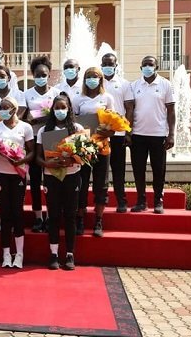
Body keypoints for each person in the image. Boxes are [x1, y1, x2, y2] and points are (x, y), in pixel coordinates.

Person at [36, 93, 84, 270]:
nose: (60, 111)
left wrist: (72, 160)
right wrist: (48, 163)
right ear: (52, 110)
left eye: (63, 107)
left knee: (70, 215)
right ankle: (54, 253)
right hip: (51, 177)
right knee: (54, 215)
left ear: (69, 109)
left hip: (72, 176)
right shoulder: (44, 130)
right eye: (57, 108)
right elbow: (38, 158)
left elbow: (84, 156)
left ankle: (70, 254)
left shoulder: (77, 128)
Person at [0, 97, 35, 269]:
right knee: (5, 213)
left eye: (6, 107)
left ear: (14, 109)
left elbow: (32, 152)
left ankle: (20, 254)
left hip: (18, 174)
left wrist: (21, 161)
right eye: (1, 107)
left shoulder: (26, 127)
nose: (3, 110)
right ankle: (6, 254)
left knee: (17, 213)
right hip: (1, 173)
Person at [125, 55, 175, 214]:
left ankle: (158, 201)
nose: (147, 67)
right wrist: (128, 132)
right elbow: (130, 110)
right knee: (138, 169)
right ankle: (141, 201)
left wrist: (171, 134)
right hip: (138, 135)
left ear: (156, 67)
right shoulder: (134, 85)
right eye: (144, 65)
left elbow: (171, 111)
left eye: (150, 64)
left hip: (159, 135)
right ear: (140, 68)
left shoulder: (165, 84)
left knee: (158, 170)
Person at [72, 67, 114, 237]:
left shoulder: (107, 98)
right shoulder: (78, 99)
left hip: (102, 146)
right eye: (88, 77)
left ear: (101, 79)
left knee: (101, 183)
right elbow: (73, 123)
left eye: (95, 77)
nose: (91, 79)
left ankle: (98, 220)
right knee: (81, 183)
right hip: (83, 147)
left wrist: (108, 132)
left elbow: (113, 123)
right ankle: (80, 219)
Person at [22, 56, 60, 232]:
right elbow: (23, 118)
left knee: (52, 181)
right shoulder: (26, 94)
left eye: (44, 74)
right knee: (35, 181)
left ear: (49, 74)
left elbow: (60, 114)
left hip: (52, 139)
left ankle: (52, 216)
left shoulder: (56, 93)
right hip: (33, 141)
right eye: (37, 74)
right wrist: (39, 117)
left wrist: (37, 117)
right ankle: (38, 217)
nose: (41, 77)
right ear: (33, 74)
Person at [0, 65, 27, 209]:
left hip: (14, 133)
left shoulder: (18, 93)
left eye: (3, 76)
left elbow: (21, 112)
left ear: (9, 78)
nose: (0, 79)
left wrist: (9, 124)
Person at [101, 53, 133, 213]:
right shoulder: (96, 83)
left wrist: (128, 132)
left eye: (110, 63)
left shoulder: (124, 84)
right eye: (104, 63)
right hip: (100, 135)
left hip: (118, 135)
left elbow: (129, 108)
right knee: (101, 171)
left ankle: (122, 201)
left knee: (118, 170)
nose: (107, 66)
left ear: (116, 65)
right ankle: (102, 201)